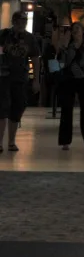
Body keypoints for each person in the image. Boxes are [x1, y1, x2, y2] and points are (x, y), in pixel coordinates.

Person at [0, 10, 41, 153]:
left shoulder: (30, 39)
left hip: (21, 78)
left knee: (17, 109)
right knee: (2, 109)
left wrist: (36, 80)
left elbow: (35, 59)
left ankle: (11, 141)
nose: (22, 24)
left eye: (24, 21)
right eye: (19, 21)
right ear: (13, 22)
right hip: (3, 77)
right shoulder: (4, 35)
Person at [57, 22, 84, 152]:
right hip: (68, 79)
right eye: (73, 29)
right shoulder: (67, 45)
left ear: (83, 31)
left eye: (77, 29)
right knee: (66, 109)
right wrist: (63, 45)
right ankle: (65, 141)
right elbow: (59, 61)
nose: (75, 32)